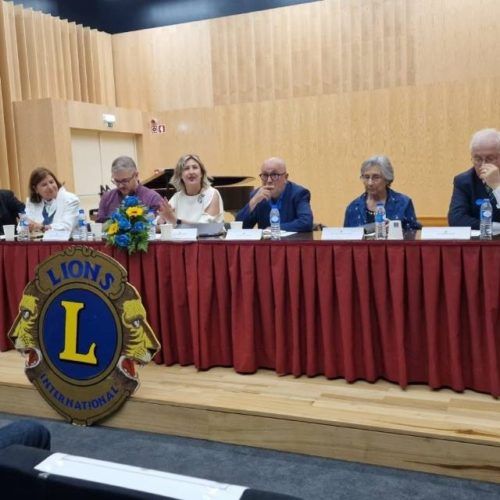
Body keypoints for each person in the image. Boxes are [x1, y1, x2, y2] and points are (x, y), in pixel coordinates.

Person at [344, 155, 421, 231]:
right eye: (366, 177)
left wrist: (395, 230)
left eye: (376, 177)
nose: (370, 183)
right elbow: (345, 238)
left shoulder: (403, 203)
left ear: (387, 179)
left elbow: (415, 235)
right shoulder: (353, 208)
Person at [236, 157, 313, 232]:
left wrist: (275, 228)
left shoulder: (298, 193)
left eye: (274, 175)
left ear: (285, 177)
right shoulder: (257, 196)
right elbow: (239, 227)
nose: (269, 180)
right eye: (265, 175)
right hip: (266, 244)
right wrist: (253, 202)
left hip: (292, 243)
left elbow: (306, 222)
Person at [448, 128, 500, 229]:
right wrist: (495, 227)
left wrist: (497, 186)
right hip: (479, 242)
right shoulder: (463, 181)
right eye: (478, 159)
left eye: (490, 158)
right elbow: (456, 219)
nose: (483, 164)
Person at [157, 154, 224, 225]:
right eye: (186, 168)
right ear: (180, 175)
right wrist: (161, 220)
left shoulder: (212, 194)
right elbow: (159, 223)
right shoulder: (177, 197)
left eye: (195, 167)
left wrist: (173, 220)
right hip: (182, 236)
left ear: (202, 173)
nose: (191, 172)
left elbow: (204, 228)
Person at [96, 156, 163, 222]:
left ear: (136, 175)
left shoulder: (153, 198)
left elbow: (160, 226)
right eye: (116, 181)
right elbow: (99, 226)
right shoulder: (107, 198)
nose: (120, 186)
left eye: (125, 181)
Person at [25, 167, 79, 233]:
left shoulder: (71, 199)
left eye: (51, 182)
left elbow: (66, 227)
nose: (50, 187)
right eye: (44, 185)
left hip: (68, 242)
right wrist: (27, 226)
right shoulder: (32, 203)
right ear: (35, 189)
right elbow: (21, 227)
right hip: (39, 242)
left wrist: (41, 227)